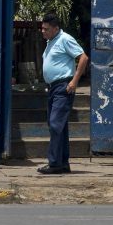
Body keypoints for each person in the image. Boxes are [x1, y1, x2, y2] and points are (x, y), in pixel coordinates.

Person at [38, 13, 89, 175]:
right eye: (42, 28)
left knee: (55, 124)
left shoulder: (65, 39)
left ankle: (54, 163)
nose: (43, 31)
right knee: (59, 126)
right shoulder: (51, 41)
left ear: (55, 28)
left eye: (46, 29)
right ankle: (63, 163)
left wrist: (74, 81)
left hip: (63, 87)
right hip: (53, 87)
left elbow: (83, 58)